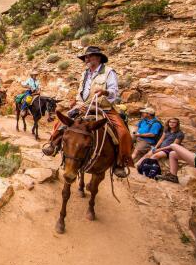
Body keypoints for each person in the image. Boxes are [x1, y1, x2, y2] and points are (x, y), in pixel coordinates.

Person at [42, 46, 133, 178]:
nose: (86, 59)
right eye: (85, 57)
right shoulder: (85, 73)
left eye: (89, 56)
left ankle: (120, 163)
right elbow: (82, 91)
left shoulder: (108, 72)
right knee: (60, 122)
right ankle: (53, 144)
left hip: (103, 108)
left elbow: (114, 92)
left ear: (98, 57)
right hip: (83, 106)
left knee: (123, 133)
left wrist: (105, 92)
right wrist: (77, 102)